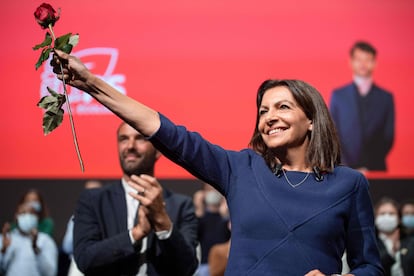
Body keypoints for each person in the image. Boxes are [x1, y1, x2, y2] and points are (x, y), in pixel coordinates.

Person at [51, 49, 384, 275]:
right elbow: (166, 132)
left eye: (282, 107)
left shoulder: (349, 184)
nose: (269, 118)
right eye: (263, 111)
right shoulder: (240, 169)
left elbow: (370, 265)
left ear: (312, 119)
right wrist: (91, 84)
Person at [71, 121, 199, 275]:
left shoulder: (181, 205)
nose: (130, 146)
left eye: (140, 138)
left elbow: (188, 268)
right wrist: (136, 233)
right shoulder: (93, 200)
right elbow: (85, 259)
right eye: (123, 139)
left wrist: (162, 222)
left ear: (158, 150)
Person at [330, 41, 395, 172]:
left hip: (376, 169)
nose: (363, 64)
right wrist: (347, 165)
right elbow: (333, 132)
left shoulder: (386, 97)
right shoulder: (338, 95)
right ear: (351, 62)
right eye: (359, 59)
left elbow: (388, 136)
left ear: (375, 63)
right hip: (344, 168)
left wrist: (368, 166)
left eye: (367, 60)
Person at [0, 202, 58, 276]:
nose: (27, 216)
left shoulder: (46, 241)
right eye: (23, 213)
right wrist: (3, 251)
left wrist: (36, 249)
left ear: (37, 217)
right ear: (16, 217)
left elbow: (50, 273)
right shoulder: (5, 239)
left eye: (31, 213)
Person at [61, 180, 103, 276]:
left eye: (96, 191)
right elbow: (67, 247)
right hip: (78, 265)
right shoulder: (77, 217)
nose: (92, 195)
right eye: (88, 191)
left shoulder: (110, 217)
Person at [193, 184, 230, 276]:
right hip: (204, 264)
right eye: (209, 190)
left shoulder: (225, 218)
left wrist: (225, 215)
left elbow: (228, 237)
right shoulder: (201, 216)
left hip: (223, 263)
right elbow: (194, 235)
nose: (213, 192)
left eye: (215, 189)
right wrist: (198, 208)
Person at [374, 197, 414, 276]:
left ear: (399, 218)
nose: (387, 217)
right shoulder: (369, 242)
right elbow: (373, 268)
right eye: (382, 213)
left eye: (391, 213)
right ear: (375, 218)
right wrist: (391, 252)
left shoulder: (410, 241)